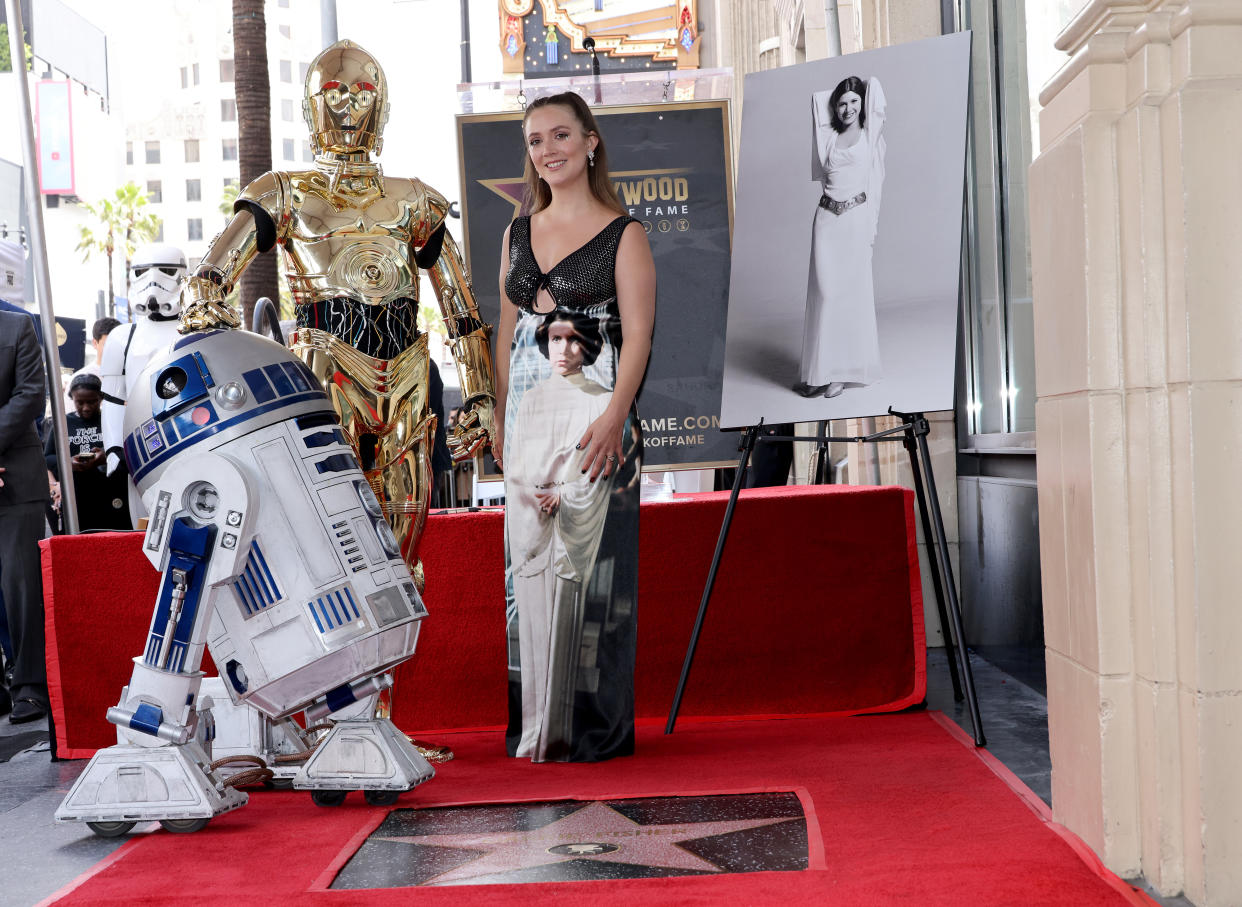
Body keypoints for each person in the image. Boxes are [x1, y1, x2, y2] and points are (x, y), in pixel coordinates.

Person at [496, 91, 655, 762]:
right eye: (535, 140)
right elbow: (507, 334)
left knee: (593, 574)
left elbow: (641, 337)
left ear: (591, 142)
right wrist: (502, 419)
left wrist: (616, 417)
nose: (548, 149)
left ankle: (592, 731)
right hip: (530, 424)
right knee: (528, 570)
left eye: (560, 134)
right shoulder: (516, 232)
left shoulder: (626, 233)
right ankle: (537, 727)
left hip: (595, 421)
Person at [796, 75, 887, 399]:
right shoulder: (828, 139)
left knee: (849, 295)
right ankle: (818, 372)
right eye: (842, 102)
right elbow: (817, 101)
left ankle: (840, 373)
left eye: (854, 101)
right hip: (825, 221)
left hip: (856, 220)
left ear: (864, 104)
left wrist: (871, 228)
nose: (848, 108)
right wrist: (837, 94)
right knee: (825, 294)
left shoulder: (871, 137)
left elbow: (875, 186)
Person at [0, 310, 51, 724]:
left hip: (17, 479)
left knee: (22, 586)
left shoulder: (19, 327)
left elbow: (32, 395)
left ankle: (30, 687)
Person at [45, 373, 129, 532]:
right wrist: (68, 462)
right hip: (76, 497)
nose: (86, 407)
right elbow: (48, 458)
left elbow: (127, 452)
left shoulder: (111, 419)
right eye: (80, 402)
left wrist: (105, 457)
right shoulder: (63, 422)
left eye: (92, 402)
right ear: (72, 398)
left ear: (101, 397)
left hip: (110, 494)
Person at [63, 316, 120, 408]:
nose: (113, 349)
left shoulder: (131, 375)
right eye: (108, 345)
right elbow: (72, 417)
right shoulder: (78, 380)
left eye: (118, 344)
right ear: (95, 343)